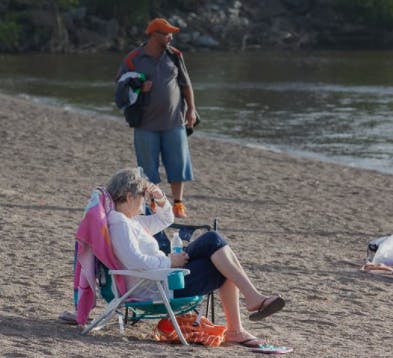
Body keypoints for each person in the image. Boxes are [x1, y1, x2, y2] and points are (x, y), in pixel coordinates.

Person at [106, 168, 286, 348]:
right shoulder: (120, 225)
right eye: (142, 196)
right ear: (129, 197)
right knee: (216, 248)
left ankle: (245, 312)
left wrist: (159, 195)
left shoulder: (131, 221)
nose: (144, 200)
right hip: (159, 287)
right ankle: (243, 317)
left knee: (217, 249)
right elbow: (135, 262)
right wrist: (170, 261)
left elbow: (166, 218)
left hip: (164, 278)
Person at [116, 18, 197, 218]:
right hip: (144, 124)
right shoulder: (133, 58)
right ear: (154, 35)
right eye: (167, 33)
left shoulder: (175, 55)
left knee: (178, 165)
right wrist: (139, 87)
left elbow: (186, 85)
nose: (171, 37)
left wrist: (191, 110)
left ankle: (178, 204)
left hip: (174, 121)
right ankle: (153, 204)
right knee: (147, 169)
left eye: (171, 34)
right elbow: (120, 86)